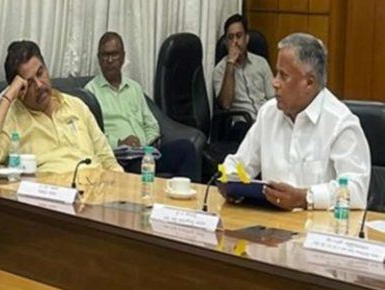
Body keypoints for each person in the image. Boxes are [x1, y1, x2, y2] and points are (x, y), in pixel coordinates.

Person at [222, 33, 370, 210]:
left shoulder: (340, 123)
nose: (274, 82)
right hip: (269, 223)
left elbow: (356, 190)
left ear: (309, 83)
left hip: (320, 225)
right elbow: (238, 164)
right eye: (276, 73)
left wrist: (305, 198)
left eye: (283, 76)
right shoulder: (269, 113)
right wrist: (231, 184)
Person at [0, 40, 122, 174]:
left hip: (97, 186)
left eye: (40, 73)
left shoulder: (75, 105)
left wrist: (122, 187)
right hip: (52, 190)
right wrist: (9, 96)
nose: (39, 85)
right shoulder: (13, 117)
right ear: (20, 89)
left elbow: (107, 158)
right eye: (30, 82)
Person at [86, 31, 198, 181]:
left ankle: (189, 196)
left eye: (114, 54)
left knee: (186, 148)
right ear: (99, 59)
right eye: (105, 55)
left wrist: (144, 146)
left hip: (145, 154)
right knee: (140, 165)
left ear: (123, 57)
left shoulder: (135, 88)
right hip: (119, 159)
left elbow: (152, 125)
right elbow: (91, 135)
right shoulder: (90, 92)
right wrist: (120, 143)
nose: (110, 60)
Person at [213, 14, 274, 142]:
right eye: (230, 38)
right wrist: (230, 64)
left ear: (246, 39)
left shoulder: (261, 63)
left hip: (266, 120)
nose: (235, 42)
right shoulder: (220, 70)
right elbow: (225, 104)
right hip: (243, 124)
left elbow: (273, 97)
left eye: (239, 36)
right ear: (226, 43)